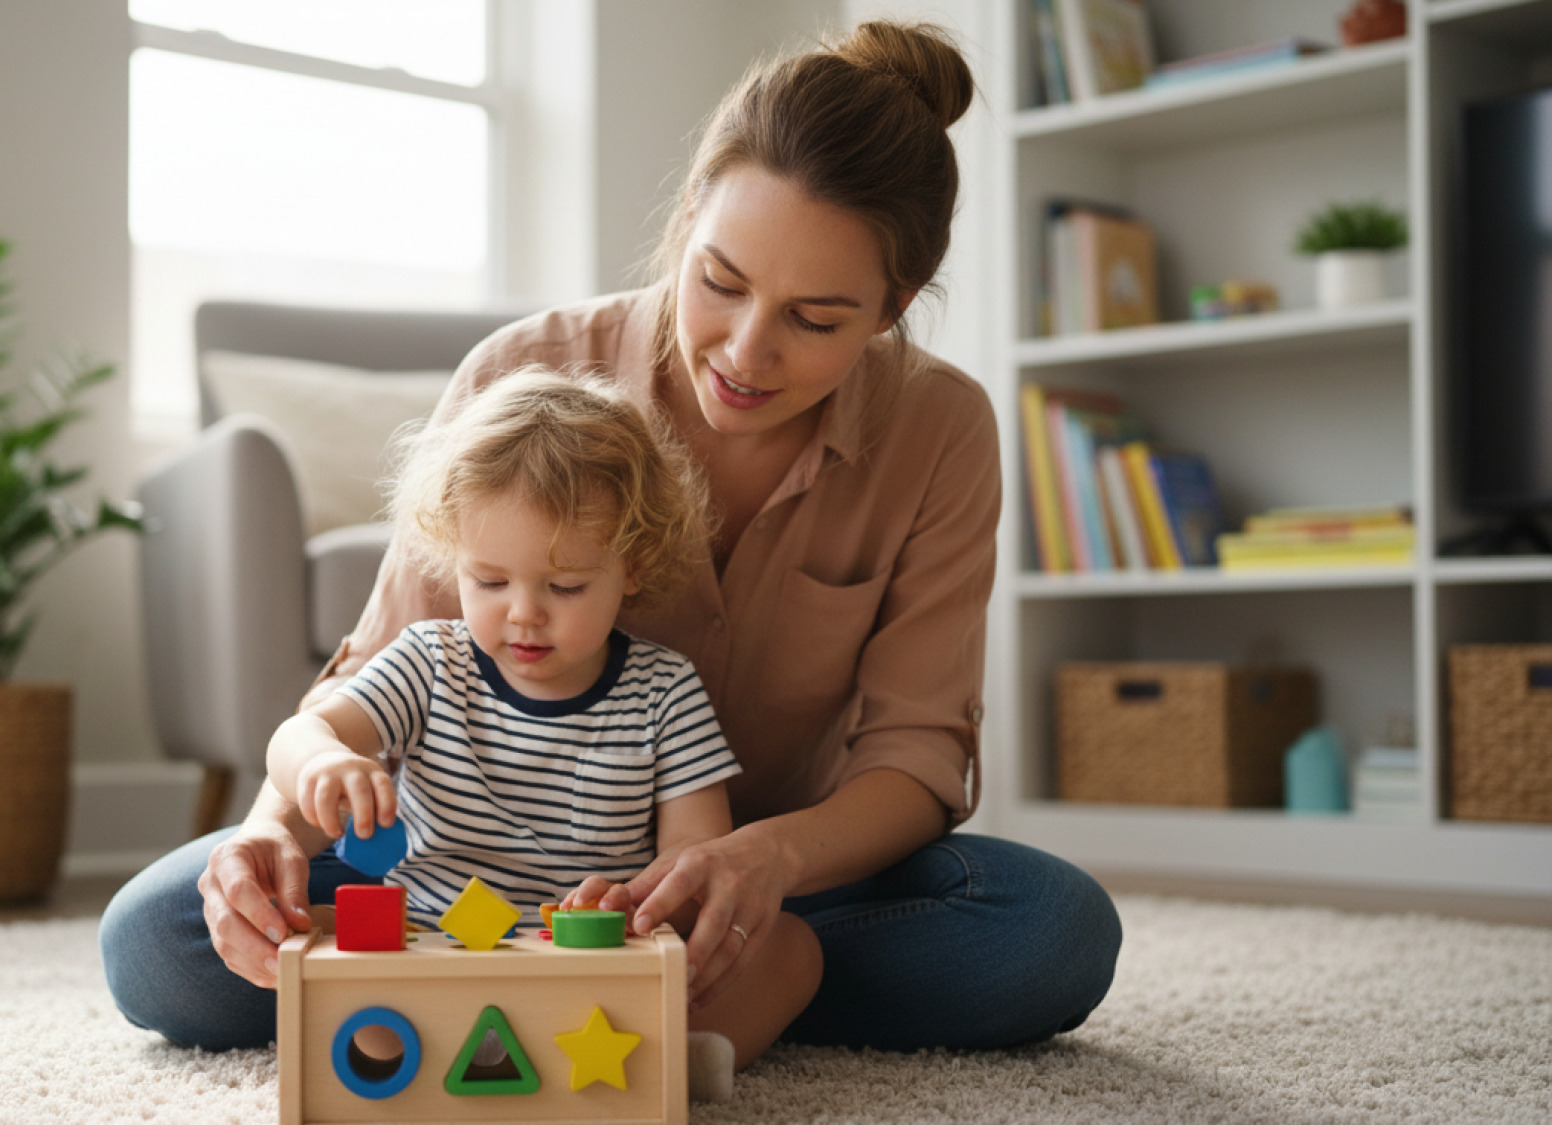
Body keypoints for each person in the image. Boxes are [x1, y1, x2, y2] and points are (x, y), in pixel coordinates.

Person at [102, 19, 1121, 1058]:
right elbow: (369, 683)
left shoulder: (939, 430)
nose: (745, 350)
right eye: (719, 281)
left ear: (892, 307)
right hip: (466, 882)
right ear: (687, 217)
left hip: (786, 871)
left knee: (1046, 931)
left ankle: (668, 983)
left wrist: (758, 864)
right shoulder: (523, 374)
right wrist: (274, 832)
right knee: (158, 940)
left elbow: (915, 754)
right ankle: (628, 1001)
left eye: (814, 320)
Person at [265, 367, 820, 1084]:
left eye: (564, 586)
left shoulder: (664, 690)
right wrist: (321, 762)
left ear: (635, 565)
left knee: (792, 948)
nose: (523, 612)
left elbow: (697, 861)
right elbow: (296, 735)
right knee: (314, 947)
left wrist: (635, 899)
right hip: (433, 960)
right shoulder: (429, 661)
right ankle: (461, 1058)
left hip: (593, 970)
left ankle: (682, 1060)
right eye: (489, 581)